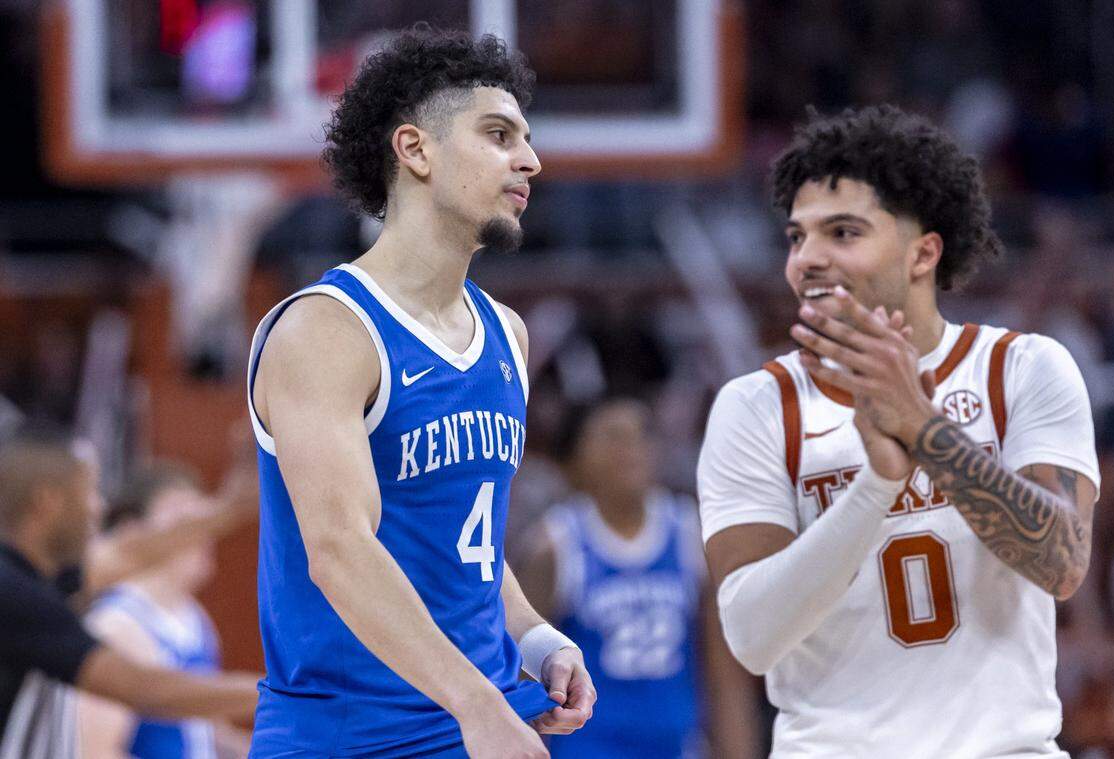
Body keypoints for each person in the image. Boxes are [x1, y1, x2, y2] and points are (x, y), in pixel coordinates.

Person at [698, 105, 1099, 758]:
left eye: (843, 232)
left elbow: (1061, 563)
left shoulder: (1020, 368)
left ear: (923, 252)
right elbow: (752, 635)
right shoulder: (756, 406)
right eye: (798, 238)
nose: (808, 260)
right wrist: (878, 482)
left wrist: (923, 429)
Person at [246, 26, 595, 759]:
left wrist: (535, 636)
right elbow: (340, 548)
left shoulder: (507, 333)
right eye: (499, 134)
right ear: (416, 150)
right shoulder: (327, 330)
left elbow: (464, 545)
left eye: (526, 138)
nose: (529, 159)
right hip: (352, 737)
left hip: (480, 718)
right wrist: (476, 703)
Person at [520, 398, 760, 758]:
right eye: (612, 437)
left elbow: (724, 673)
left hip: (677, 747)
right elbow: (524, 675)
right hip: (588, 748)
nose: (630, 449)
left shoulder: (691, 534)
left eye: (641, 435)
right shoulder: (554, 544)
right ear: (574, 461)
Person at [0, 433, 258, 759]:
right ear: (46, 501)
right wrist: (282, 693)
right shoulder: (15, 595)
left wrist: (234, 507)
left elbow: (127, 554)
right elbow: (141, 690)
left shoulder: (34, 577)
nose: (99, 506)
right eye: (88, 491)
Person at [76, 463, 250, 758]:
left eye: (204, 517)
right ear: (134, 533)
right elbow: (95, 751)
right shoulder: (117, 625)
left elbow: (202, 733)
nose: (201, 532)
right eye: (184, 521)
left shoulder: (194, 618)